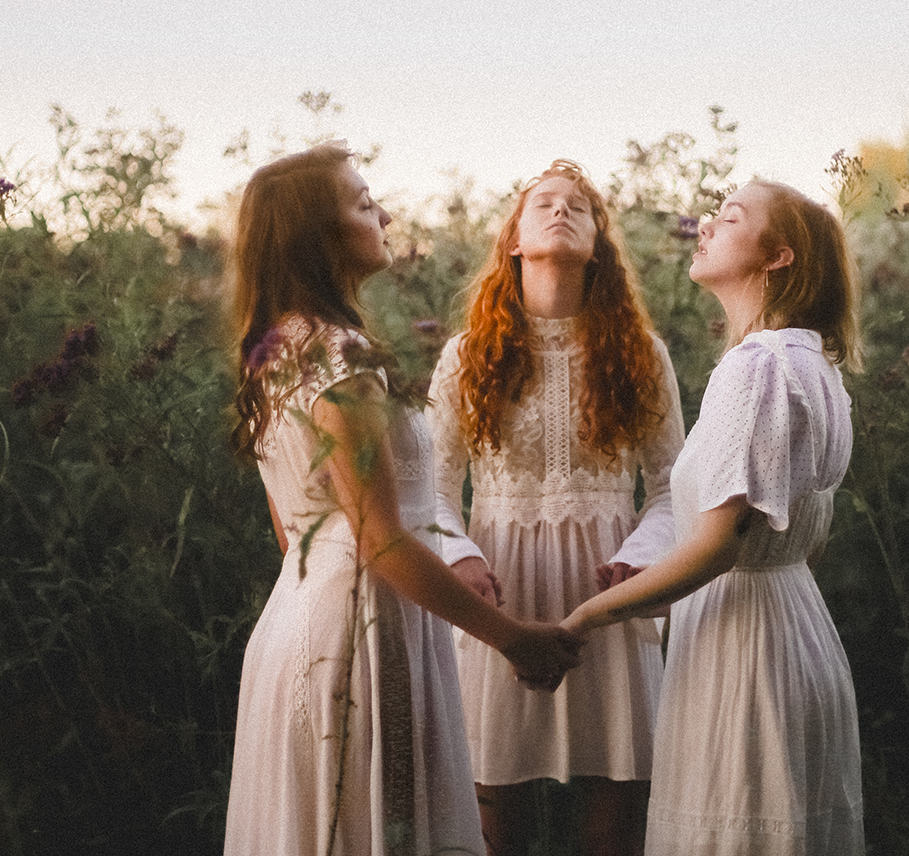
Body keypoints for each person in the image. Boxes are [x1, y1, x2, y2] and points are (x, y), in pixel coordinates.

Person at [221, 144, 583, 856]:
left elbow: (294, 532)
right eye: (362, 203)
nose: (383, 213)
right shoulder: (341, 361)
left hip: (301, 619)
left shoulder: (278, 351)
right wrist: (513, 637)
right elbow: (380, 540)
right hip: (361, 634)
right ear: (315, 239)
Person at [561, 180, 865, 855]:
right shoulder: (814, 363)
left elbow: (718, 547)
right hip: (795, 627)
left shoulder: (757, 367)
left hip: (747, 655)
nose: (704, 225)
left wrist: (590, 615)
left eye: (729, 218)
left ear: (777, 257)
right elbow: (793, 539)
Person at [427, 161, 685, 856]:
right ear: (513, 239)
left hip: (609, 593)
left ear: (599, 243)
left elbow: (670, 490)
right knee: (493, 803)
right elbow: (432, 489)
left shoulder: (641, 354)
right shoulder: (466, 355)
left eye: (579, 206)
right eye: (543, 202)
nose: (561, 211)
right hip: (502, 595)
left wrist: (641, 556)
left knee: (617, 801)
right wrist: (461, 554)